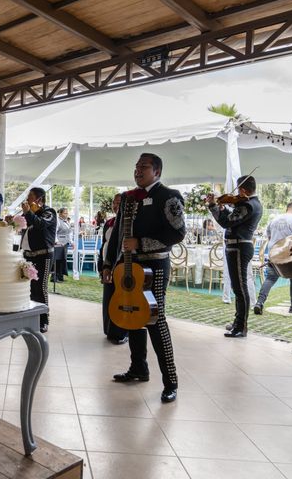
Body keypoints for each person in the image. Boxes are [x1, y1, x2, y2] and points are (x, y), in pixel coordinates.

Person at [103, 153, 185, 403]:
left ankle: (170, 382)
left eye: (144, 167)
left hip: (156, 265)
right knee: (132, 317)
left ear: (157, 171)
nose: (138, 171)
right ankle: (138, 368)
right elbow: (117, 234)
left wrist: (141, 243)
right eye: (136, 167)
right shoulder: (127, 198)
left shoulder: (169, 196)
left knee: (155, 321)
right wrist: (108, 264)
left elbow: (178, 233)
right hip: (129, 266)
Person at [206, 175, 262, 338]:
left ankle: (241, 327)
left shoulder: (249, 205)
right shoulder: (249, 203)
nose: (236, 193)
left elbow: (227, 222)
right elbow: (235, 217)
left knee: (239, 288)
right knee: (238, 287)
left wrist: (213, 206)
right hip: (237, 246)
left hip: (239, 246)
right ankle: (238, 322)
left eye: (238, 189)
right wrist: (223, 208)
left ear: (243, 190)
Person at [15, 187, 57, 333]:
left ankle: (44, 320)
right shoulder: (29, 213)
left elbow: (40, 224)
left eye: (30, 197)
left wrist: (28, 213)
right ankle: (32, 317)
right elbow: (19, 225)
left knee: (41, 288)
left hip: (43, 255)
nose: (27, 200)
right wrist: (13, 221)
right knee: (30, 288)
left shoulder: (49, 212)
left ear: (39, 199)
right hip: (28, 256)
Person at [254, 201, 292, 315]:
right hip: (291, 253)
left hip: (274, 253)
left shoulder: (273, 220)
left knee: (270, 278)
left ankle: (259, 303)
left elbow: (269, 236)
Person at [98, 194, 128, 345]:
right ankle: (109, 329)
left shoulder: (129, 222)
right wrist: (102, 265)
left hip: (122, 264)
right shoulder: (109, 223)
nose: (115, 206)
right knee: (108, 298)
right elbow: (104, 244)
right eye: (114, 203)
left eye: (119, 203)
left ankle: (120, 332)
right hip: (107, 263)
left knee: (120, 298)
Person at [53, 208, 72, 282]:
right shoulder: (57, 221)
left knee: (63, 260)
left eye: (67, 213)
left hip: (65, 243)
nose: (66, 214)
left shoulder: (67, 221)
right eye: (65, 213)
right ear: (60, 214)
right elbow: (54, 232)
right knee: (57, 260)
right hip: (59, 243)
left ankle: (60, 276)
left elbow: (69, 232)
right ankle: (54, 277)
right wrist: (56, 241)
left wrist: (71, 241)